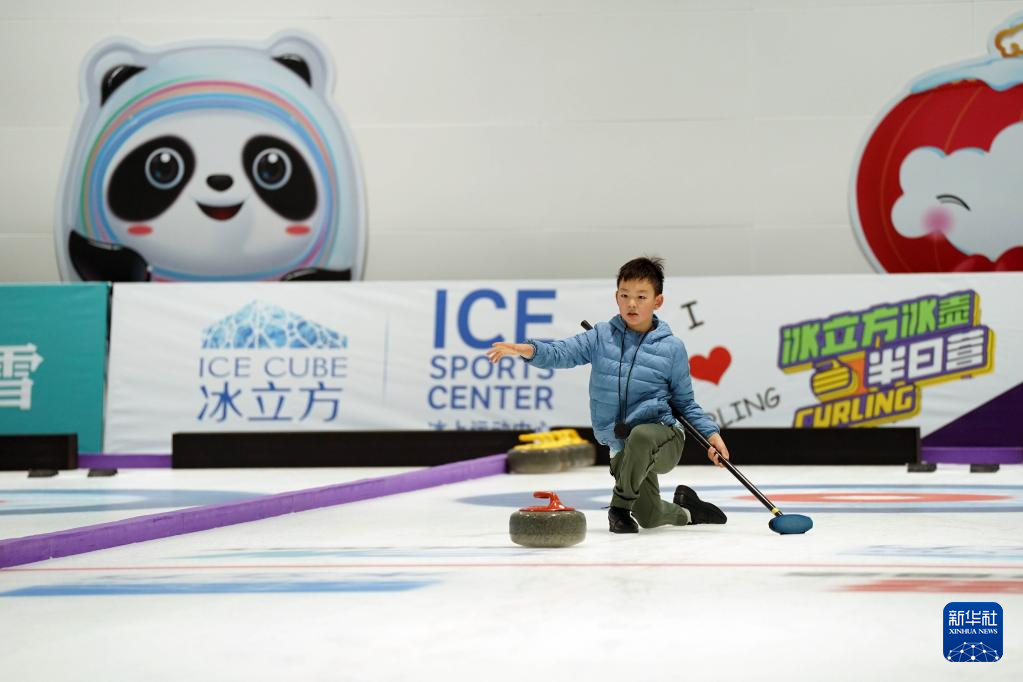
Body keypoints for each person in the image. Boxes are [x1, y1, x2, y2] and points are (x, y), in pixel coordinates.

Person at [484, 256, 730, 533]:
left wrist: (711, 435)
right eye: (625, 295)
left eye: (641, 296)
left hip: (663, 438)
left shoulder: (672, 348)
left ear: (657, 301)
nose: (632, 303)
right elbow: (562, 352)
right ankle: (689, 510)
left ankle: (619, 509)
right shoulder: (601, 336)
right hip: (622, 444)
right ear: (616, 297)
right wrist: (528, 350)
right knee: (649, 516)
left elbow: (684, 402)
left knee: (642, 435)